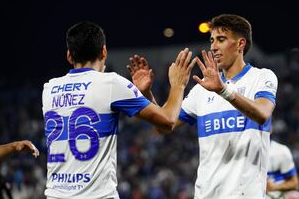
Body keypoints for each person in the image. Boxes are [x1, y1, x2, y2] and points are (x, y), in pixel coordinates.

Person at [128, 14, 278, 199]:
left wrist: (223, 90)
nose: (213, 47)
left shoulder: (262, 77)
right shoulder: (201, 90)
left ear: (240, 44)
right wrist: (146, 95)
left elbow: (263, 114)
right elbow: (164, 126)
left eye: (221, 40)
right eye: (212, 40)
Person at [42, 21, 195, 199]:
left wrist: (143, 94)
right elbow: (168, 121)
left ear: (69, 55)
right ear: (104, 52)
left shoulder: (49, 88)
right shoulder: (111, 83)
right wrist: (178, 85)